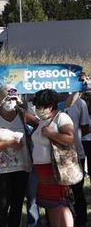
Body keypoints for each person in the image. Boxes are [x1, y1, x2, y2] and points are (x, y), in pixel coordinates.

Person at [0, 85, 32, 226]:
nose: (12, 102)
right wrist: (8, 144)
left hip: (22, 166)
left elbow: (40, 125)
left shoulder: (22, 113)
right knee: (3, 204)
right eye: (9, 98)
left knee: (17, 204)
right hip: (1, 168)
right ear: (1, 99)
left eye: (15, 99)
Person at [31, 89, 75, 226]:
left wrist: (51, 134)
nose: (37, 109)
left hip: (56, 170)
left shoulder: (62, 118)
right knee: (51, 206)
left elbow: (70, 139)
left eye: (40, 106)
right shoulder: (43, 120)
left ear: (50, 106)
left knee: (61, 205)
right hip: (42, 172)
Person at [63, 87, 89, 227]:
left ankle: (81, 220)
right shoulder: (48, 100)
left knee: (77, 190)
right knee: (58, 192)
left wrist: (72, 138)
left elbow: (85, 128)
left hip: (76, 154)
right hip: (53, 156)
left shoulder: (80, 103)